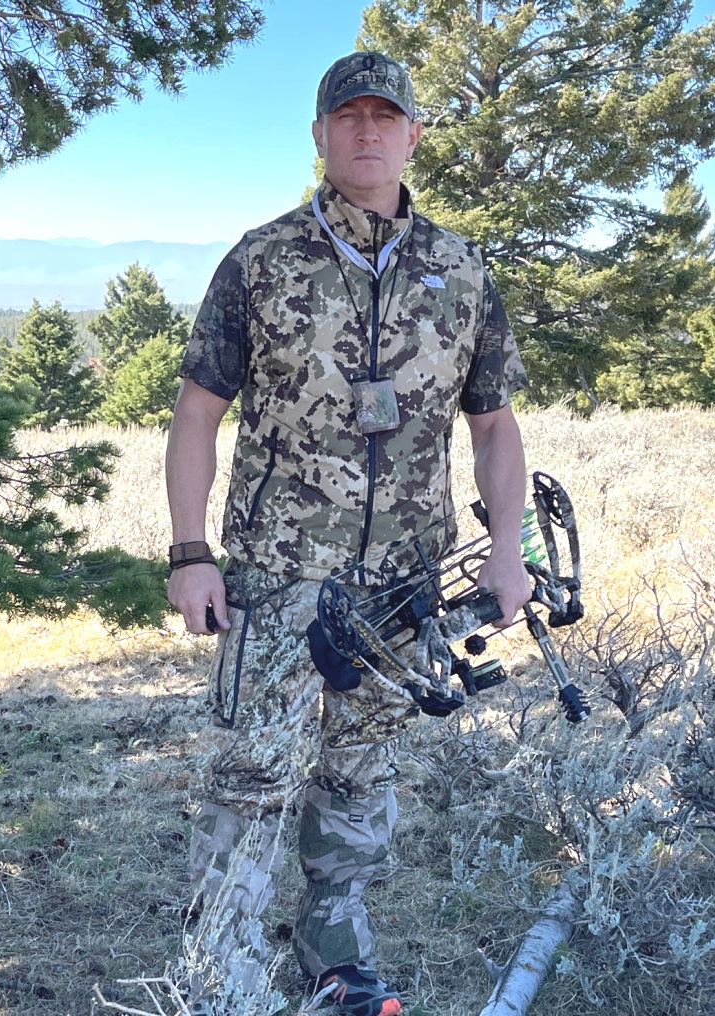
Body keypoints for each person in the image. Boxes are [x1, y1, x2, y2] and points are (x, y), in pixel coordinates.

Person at [165, 51, 530, 1016]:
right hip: (279, 577)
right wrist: (191, 552)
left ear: (413, 135)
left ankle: (335, 949)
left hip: (402, 586)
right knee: (250, 772)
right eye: (349, 116)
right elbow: (198, 412)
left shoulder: (461, 269)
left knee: (362, 773)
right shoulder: (262, 260)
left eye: (386, 116)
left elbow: (493, 425)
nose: (368, 131)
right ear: (321, 135)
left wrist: (508, 549)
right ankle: (222, 962)